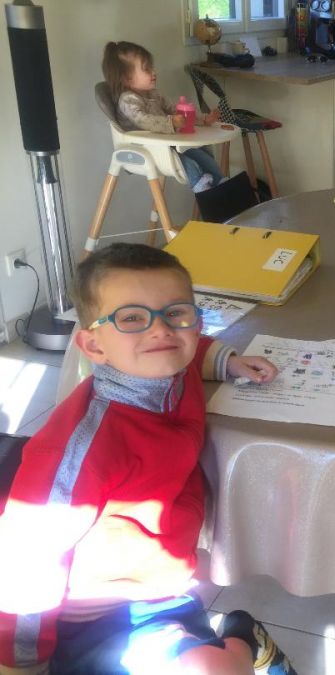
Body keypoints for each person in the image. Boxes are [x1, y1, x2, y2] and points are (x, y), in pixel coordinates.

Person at [0, 244, 292, 675]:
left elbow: (189, 349)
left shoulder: (169, 366)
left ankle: (235, 642)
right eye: (132, 318)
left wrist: (226, 362)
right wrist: (22, 666)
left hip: (163, 592)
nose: (160, 331)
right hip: (93, 615)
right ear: (93, 346)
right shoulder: (79, 450)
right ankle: (244, 641)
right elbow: (26, 563)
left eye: (176, 313)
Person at [102, 41, 225, 193]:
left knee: (201, 155)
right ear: (127, 78)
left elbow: (177, 113)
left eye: (152, 67)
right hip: (146, 149)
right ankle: (204, 189)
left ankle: (221, 182)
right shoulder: (128, 100)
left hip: (166, 144)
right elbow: (144, 121)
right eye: (147, 69)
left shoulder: (155, 94)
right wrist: (171, 122)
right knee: (187, 163)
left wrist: (203, 120)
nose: (154, 72)